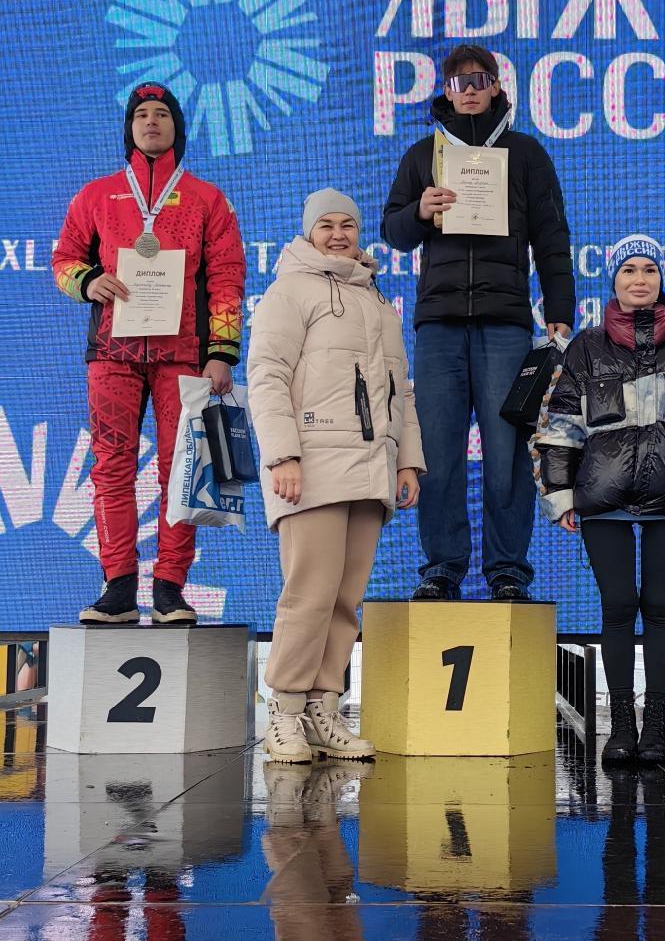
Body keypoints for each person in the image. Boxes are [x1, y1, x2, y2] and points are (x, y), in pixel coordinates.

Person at [533, 235, 665, 765]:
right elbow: (559, 426)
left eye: (649, 269)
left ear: (661, 279)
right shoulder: (584, 348)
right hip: (602, 496)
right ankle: (622, 726)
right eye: (628, 269)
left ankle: (655, 729)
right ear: (614, 281)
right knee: (619, 607)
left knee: (661, 609)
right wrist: (560, 494)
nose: (640, 279)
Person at [382, 44, 575, 601]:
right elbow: (393, 231)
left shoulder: (526, 153)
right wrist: (420, 210)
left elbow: (552, 237)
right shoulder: (423, 154)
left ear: (496, 86)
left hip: (505, 322)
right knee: (436, 454)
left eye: (480, 79)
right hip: (439, 325)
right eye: (459, 81)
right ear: (446, 90)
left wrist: (559, 313)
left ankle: (507, 569)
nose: (469, 89)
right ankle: (441, 568)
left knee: (507, 455)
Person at [53, 82, 245, 625]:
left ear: (177, 128)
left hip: (183, 354)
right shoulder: (97, 195)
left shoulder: (208, 198)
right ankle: (117, 585)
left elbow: (227, 278)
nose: (152, 121)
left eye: (162, 113)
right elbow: (64, 259)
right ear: (129, 128)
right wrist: (87, 281)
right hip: (112, 353)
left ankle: (169, 587)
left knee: (181, 469)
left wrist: (222, 351)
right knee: (111, 466)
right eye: (141, 114)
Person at [248, 190, 425, 764]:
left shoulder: (377, 299)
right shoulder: (288, 292)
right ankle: (284, 712)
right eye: (325, 225)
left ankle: (323, 709)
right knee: (310, 594)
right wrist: (283, 456)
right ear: (308, 233)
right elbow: (267, 376)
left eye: (347, 224)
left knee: (346, 600)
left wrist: (406, 460)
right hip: (313, 466)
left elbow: (401, 392)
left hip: (370, 470)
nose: (338, 233)